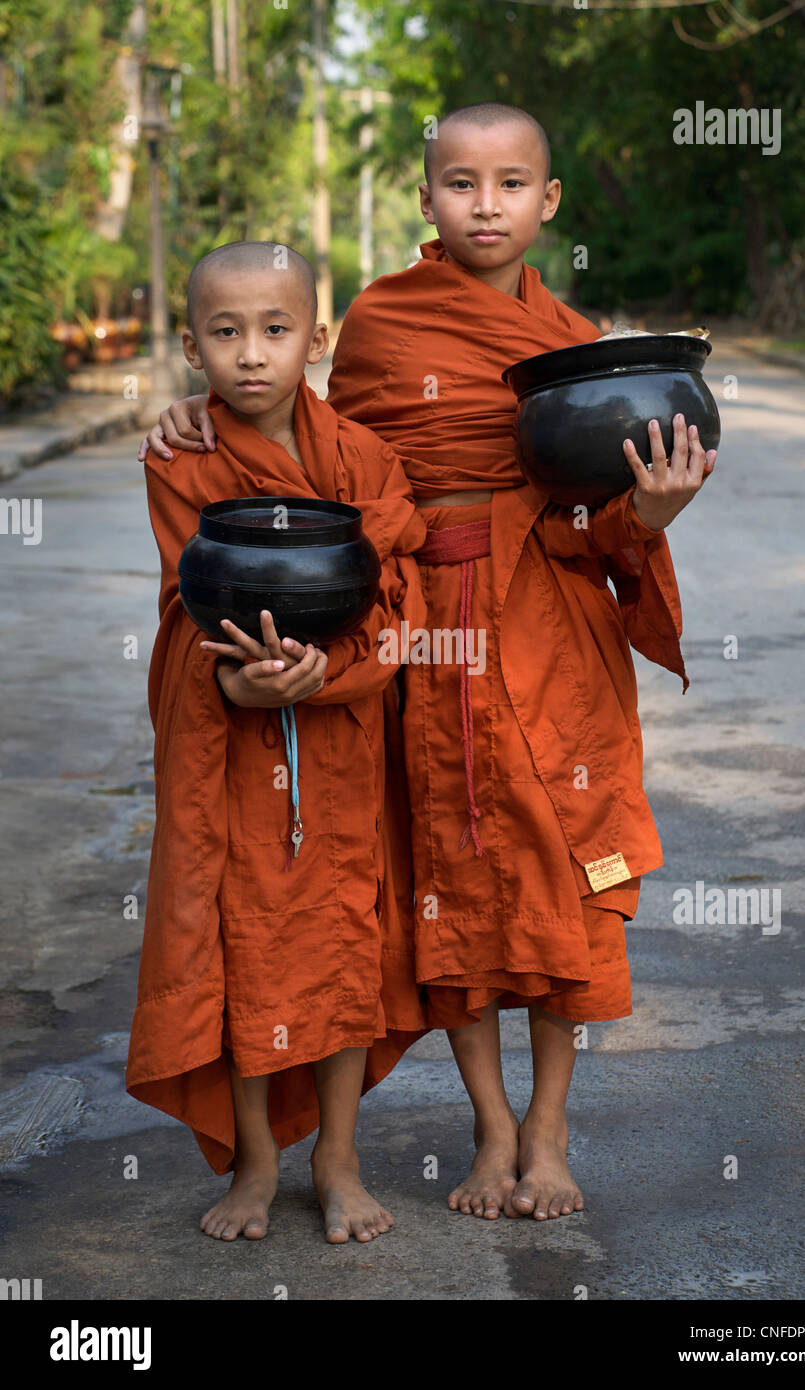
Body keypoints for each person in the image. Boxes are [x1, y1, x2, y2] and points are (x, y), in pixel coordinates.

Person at [137, 104, 717, 1225]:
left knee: (563, 867)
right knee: (445, 870)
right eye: (459, 182)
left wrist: (649, 515)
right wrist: (197, 414)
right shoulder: (382, 325)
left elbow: (601, 524)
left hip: (549, 623)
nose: (484, 204)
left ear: (547, 202)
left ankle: (546, 1130)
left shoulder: (575, 341)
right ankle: (488, 1125)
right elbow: (312, 470)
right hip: (420, 631)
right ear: (425, 199)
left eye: (509, 184)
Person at [126, 240, 428, 1244]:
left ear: (317, 335)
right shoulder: (179, 455)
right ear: (189, 346)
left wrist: (324, 674)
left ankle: (338, 1155)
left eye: (275, 329)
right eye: (224, 333)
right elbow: (189, 594)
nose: (251, 354)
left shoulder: (359, 455)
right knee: (244, 934)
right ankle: (257, 1157)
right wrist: (237, 677)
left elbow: (396, 599)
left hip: (339, 738)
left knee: (344, 935)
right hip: (231, 743)